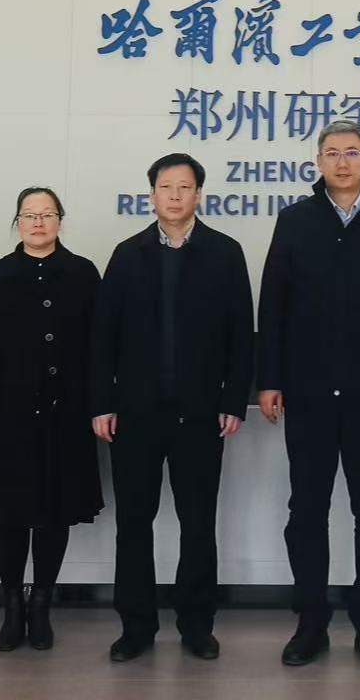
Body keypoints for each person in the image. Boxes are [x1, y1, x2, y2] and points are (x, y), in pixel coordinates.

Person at [257, 119, 360, 669]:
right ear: (318, 161)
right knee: (306, 510)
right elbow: (273, 306)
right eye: (332, 153)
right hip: (307, 392)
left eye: (352, 152)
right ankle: (310, 623)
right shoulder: (295, 220)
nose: (342, 162)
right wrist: (269, 379)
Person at [90, 153, 255, 663]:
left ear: (199, 195)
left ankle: (197, 624)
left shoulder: (225, 253)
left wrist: (234, 400)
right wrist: (102, 402)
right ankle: (136, 626)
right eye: (167, 187)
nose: (176, 195)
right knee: (133, 524)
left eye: (185, 187)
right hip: (135, 414)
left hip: (201, 414)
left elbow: (241, 334)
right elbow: (103, 335)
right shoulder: (127, 255)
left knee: (198, 522)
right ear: (152, 195)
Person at [0, 187, 102, 653]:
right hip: (6, 414)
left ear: (60, 220)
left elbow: (100, 346)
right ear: (17, 222)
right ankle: (11, 606)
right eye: (29, 215)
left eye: (47, 214)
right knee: (10, 512)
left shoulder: (83, 274)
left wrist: (99, 403)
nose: (38, 223)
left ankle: (41, 603)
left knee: (55, 511)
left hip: (67, 413)